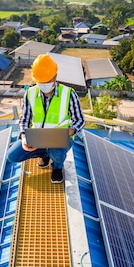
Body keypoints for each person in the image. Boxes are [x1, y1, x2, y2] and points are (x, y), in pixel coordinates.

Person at [6, 54, 85, 184]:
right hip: (37, 138)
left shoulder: (69, 94)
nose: (43, 85)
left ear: (55, 77)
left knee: (57, 153)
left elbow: (80, 120)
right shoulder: (30, 93)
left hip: (60, 138)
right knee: (12, 156)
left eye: (46, 81)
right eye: (40, 82)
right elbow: (24, 119)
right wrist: (24, 137)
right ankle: (45, 154)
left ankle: (57, 167)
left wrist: (70, 132)